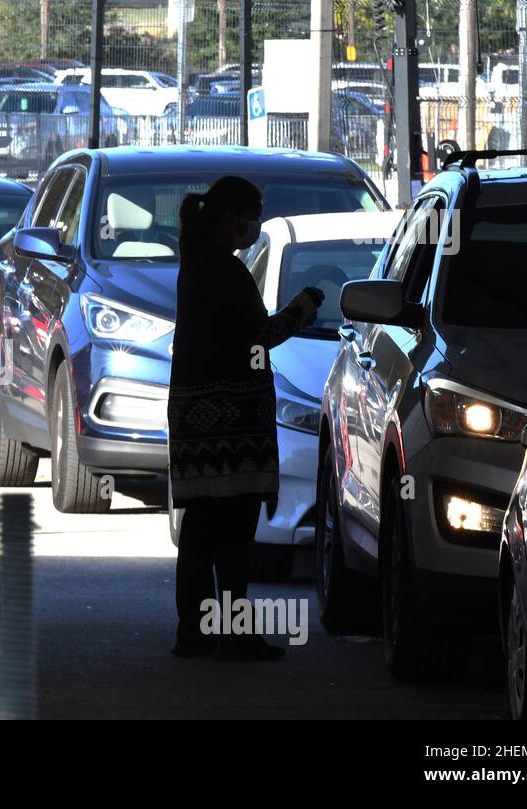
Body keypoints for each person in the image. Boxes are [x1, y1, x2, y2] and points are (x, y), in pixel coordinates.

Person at [167, 177, 324, 661]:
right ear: (229, 218)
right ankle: (232, 634)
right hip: (231, 423)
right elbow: (263, 336)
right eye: (250, 216)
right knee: (233, 533)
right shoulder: (225, 272)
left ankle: (194, 633)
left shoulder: (196, 265)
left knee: (200, 528)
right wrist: (306, 305)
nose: (253, 227)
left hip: (196, 417)